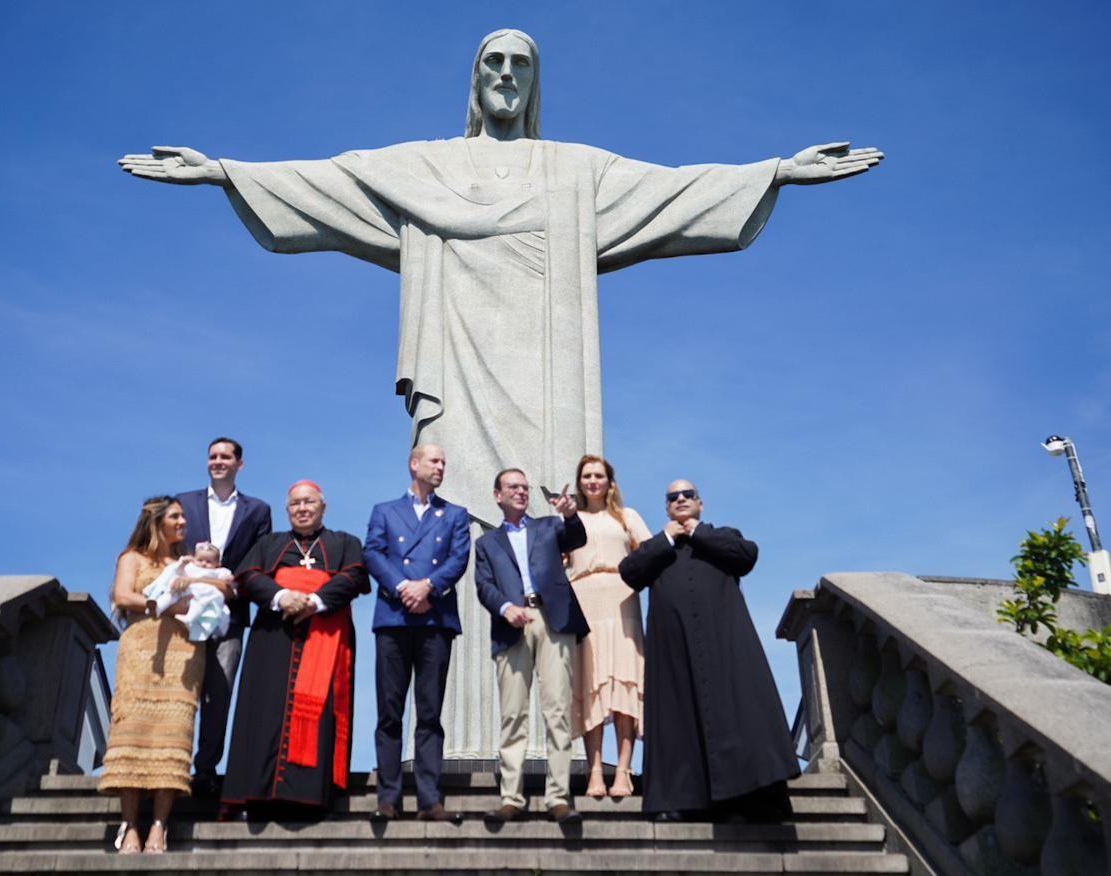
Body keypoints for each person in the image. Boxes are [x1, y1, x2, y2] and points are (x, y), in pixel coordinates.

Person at [119, 30, 883, 530]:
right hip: (456, 369)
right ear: (475, 79)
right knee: (450, 510)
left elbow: (673, 190)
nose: (508, 76)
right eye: (495, 63)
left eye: (522, 66)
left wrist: (774, 172)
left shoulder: (574, 172)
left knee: (550, 514)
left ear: (535, 84)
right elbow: (332, 183)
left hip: (550, 381)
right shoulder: (426, 167)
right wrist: (225, 172)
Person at [618, 480, 800, 823]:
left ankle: (750, 801)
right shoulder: (658, 548)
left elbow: (747, 556)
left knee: (739, 716)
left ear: (700, 504)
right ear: (667, 507)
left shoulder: (721, 536)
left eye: (688, 495)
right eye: (673, 497)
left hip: (724, 646)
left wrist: (696, 531)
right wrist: (668, 538)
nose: (681, 499)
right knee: (676, 722)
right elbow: (630, 572)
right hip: (673, 651)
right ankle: (679, 801)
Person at [219, 481, 370, 818]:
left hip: (325, 634)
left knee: (320, 713)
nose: (302, 508)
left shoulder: (344, 542)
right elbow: (247, 576)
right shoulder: (270, 543)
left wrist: (314, 601)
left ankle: (311, 797)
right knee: (264, 710)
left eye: (309, 502)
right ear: (287, 511)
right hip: (274, 636)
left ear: (323, 507)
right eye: (295, 505)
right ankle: (257, 796)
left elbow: (354, 577)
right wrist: (281, 597)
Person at [364, 444, 471, 823]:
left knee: (429, 713)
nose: (441, 466)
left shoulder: (454, 514)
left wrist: (427, 586)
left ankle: (430, 800)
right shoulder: (385, 511)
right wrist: (403, 587)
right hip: (394, 618)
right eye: (434, 461)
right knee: (389, 712)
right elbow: (373, 554)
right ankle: (388, 799)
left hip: (434, 619)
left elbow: (459, 558)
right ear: (414, 464)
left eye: (444, 461)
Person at [475, 469, 589, 823]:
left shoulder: (547, 527)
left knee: (557, 711)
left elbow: (575, 537)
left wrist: (570, 514)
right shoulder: (486, 543)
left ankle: (558, 797)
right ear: (497, 495)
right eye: (513, 487)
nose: (522, 492)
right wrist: (506, 608)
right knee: (513, 715)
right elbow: (484, 585)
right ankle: (511, 797)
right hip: (512, 625)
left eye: (525, 487)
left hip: (553, 620)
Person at [97, 496, 208, 854]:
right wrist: (160, 603)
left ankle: (160, 825)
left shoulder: (187, 563)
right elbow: (121, 595)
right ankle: (129, 825)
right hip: (141, 650)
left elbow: (214, 590)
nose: (183, 522)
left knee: (173, 736)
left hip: (184, 651)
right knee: (133, 731)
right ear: (156, 521)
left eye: (182, 516)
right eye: (175, 516)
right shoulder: (132, 557)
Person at [176, 437, 272, 797]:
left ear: (239, 464)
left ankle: (205, 769)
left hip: (230, 615)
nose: (218, 461)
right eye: (213, 456)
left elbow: (257, 559)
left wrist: (231, 587)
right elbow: (172, 553)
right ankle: (174, 764)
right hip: (185, 614)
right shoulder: (183, 503)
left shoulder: (257, 510)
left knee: (220, 693)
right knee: (181, 690)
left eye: (225, 457)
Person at [566, 455, 652, 798]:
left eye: (598, 475)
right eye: (586, 476)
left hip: (622, 599)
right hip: (584, 599)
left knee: (623, 684)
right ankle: (596, 771)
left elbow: (649, 553)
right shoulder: (571, 520)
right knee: (592, 684)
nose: (592, 481)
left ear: (610, 482)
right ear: (579, 482)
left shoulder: (626, 517)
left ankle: (625, 770)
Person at [143, 541, 233, 642]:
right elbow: (179, 571)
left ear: (217, 563)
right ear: (195, 559)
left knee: (202, 601)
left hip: (201, 593)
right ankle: (156, 607)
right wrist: (183, 563)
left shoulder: (217, 571)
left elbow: (226, 578)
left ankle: (189, 618)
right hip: (184, 589)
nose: (204, 563)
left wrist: (228, 578)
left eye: (208, 562)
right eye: (200, 560)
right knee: (170, 594)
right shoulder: (191, 567)